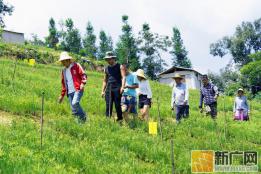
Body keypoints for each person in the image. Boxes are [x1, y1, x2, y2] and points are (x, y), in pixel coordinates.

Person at [58, 52, 87, 122]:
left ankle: (84, 116)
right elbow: (64, 84)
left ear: (68, 60)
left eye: (63, 61)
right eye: (62, 62)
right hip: (69, 92)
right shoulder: (63, 71)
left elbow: (83, 75)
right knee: (73, 110)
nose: (63, 63)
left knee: (75, 103)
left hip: (78, 89)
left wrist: (83, 83)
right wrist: (62, 96)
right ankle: (79, 123)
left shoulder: (76, 66)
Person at [101, 51, 123, 121]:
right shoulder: (106, 68)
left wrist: (122, 87)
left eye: (110, 59)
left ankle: (119, 119)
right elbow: (105, 80)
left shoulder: (119, 66)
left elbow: (123, 77)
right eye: (107, 59)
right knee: (108, 105)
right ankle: (108, 120)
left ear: (113, 58)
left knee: (117, 105)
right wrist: (102, 91)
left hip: (117, 88)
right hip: (108, 89)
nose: (108, 61)